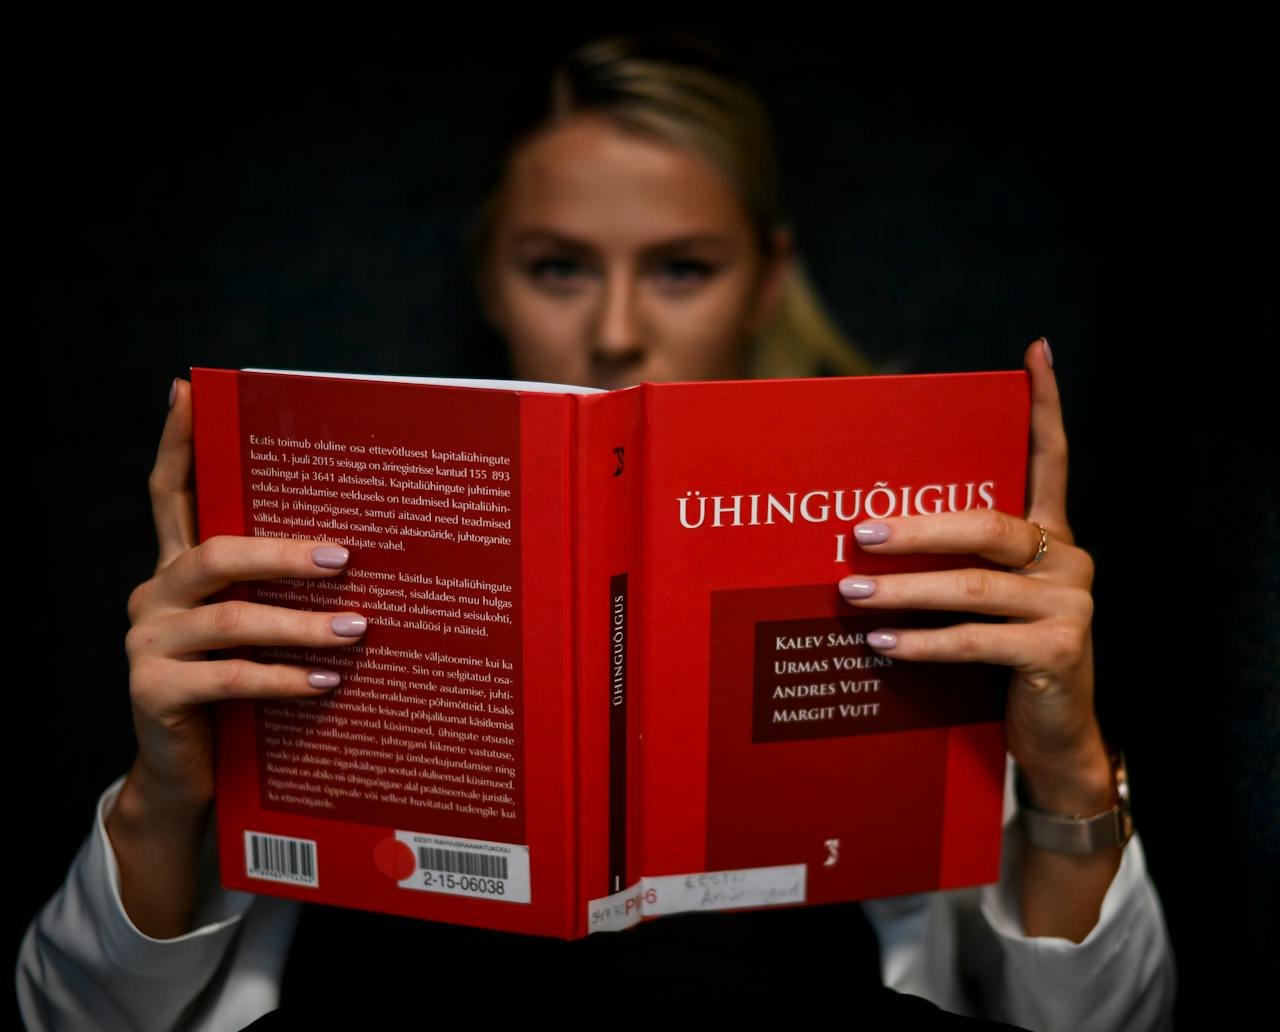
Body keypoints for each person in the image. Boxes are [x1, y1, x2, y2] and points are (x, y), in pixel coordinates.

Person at [16, 32, 1174, 1031]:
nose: (616, 330)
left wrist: (1068, 770)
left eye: (679, 268)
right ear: (489, 277)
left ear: (764, 282)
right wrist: (161, 799)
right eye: (559, 267)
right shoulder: (310, 522)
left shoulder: (922, 525)